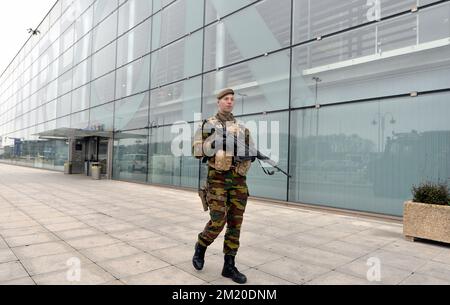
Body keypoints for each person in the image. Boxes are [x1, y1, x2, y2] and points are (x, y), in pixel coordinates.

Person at [192, 88, 255, 284]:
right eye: (226, 99)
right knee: (218, 220)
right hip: (217, 180)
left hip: (238, 181)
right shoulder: (208, 125)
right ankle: (201, 246)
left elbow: (251, 150)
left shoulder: (242, 128)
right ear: (219, 102)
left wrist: (248, 155)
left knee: (235, 224)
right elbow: (196, 150)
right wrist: (215, 143)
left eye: (232, 99)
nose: (229, 102)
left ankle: (229, 266)